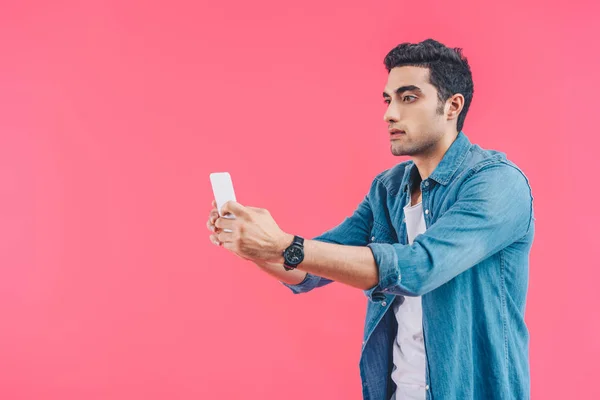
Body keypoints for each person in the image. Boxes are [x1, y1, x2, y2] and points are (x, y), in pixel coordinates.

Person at [206, 38, 534, 400]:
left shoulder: (497, 183)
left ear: (452, 106)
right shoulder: (389, 189)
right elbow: (307, 268)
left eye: (408, 98)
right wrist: (252, 246)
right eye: (388, 99)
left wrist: (283, 245)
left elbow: (419, 267)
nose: (390, 114)